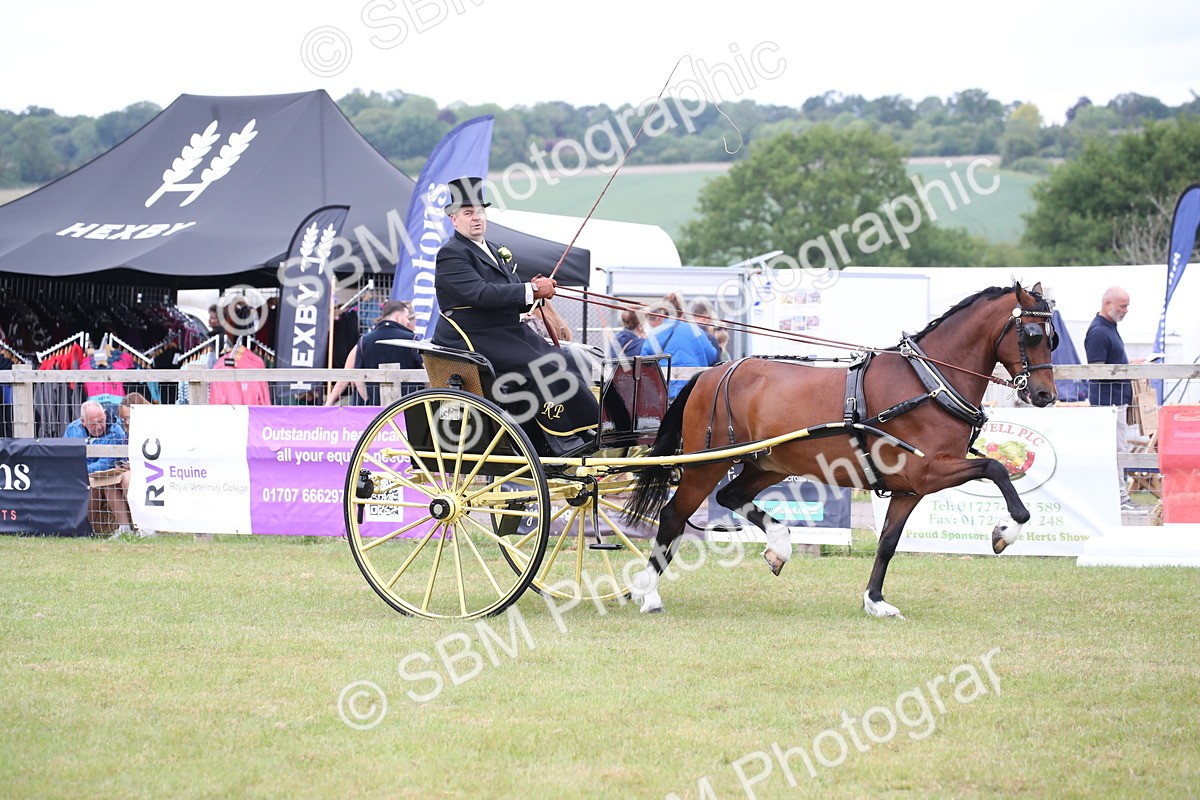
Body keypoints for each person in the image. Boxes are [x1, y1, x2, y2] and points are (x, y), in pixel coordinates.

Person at [432, 176, 599, 455]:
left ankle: (581, 427)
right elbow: (481, 294)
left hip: (505, 330)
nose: (476, 218)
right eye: (468, 213)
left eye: (480, 212)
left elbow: (509, 296)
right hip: (473, 336)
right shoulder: (451, 254)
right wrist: (530, 289)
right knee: (545, 364)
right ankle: (560, 439)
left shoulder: (497, 250)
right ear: (454, 219)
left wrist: (536, 293)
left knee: (568, 357)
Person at [1085, 286, 1147, 514]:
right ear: (1108, 304)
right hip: (1107, 404)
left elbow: (1109, 363)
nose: (1126, 310)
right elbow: (1097, 370)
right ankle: (1119, 499)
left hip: (1114, 401)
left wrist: (1129, 364)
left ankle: (1118, 497)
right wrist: (1128, 369)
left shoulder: (1108, 327)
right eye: (1123, 305)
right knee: (1115, 450)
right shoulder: (1099, 331)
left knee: (1117, 449)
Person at [325, 301, 423, 406]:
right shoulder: (412, 340)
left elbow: (355, 375)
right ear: (398, 317)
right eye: (408, 318)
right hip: (409, 406)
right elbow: (427, 370)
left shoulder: (364, 341)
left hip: (375, 411)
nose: (409, 322)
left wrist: (368, 401)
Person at [64, 399, 135, 535]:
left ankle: (86, 529)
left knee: (98, 482)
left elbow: (105, 464)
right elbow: (65, 455)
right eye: (93, 423)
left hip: (95, 476)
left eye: (101, 421)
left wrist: (80, 471)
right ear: (83, 421)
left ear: (105, 414)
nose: (98, 426)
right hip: (76, 474)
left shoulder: (116, 432)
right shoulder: (72, 429)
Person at [640, 299, 718, 400]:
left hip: (666, 393)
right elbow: (712, 356)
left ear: (663, 314)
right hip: (694, 391)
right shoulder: (696, 331)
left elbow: (644, 365)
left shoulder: (654, 335)